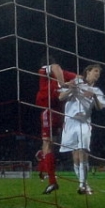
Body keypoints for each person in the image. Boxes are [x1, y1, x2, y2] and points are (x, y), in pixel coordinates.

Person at [58, 63, 105, 195]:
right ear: (88, 72)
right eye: (95, 71)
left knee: (83, 152)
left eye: (99, 73)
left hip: (84, 123)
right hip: (70, 122)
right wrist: (72, 89)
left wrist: (94, 96)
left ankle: (82, 185)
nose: (97, 74)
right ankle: (84, 184)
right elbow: (61, 97)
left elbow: (100, 107)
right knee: (75, 155)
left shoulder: (96, 91)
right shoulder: (76, 82)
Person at [35, 54, 78, 194]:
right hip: (60, 111)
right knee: (50, 143)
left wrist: (63, 85)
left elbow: (55, 67)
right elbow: (78, 78)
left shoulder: (43, 70)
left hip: (49, 109)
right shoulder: (63, 74)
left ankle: (51, 180)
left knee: (47, 143)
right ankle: (43, 161)